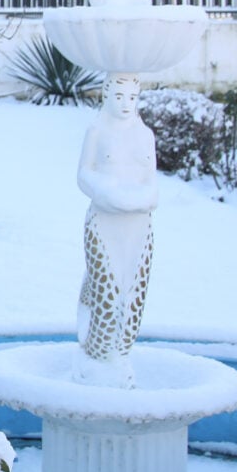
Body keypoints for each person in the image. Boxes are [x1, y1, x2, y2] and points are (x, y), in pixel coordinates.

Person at [73, 72, 158, 385]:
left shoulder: (144, 134)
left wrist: (140, 198)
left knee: (133, 300)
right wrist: (108, 192)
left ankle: (120, 355)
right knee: (107, 294)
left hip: (138, 227)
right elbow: (83, 175)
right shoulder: (96, 130)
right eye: (119, 97)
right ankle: (95, 353)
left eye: (132, 98)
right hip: (104, 223)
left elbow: (152, 182)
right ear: (106, 95)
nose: (126, 104)